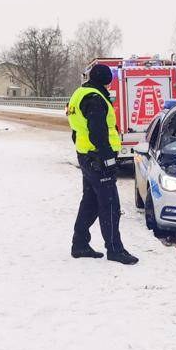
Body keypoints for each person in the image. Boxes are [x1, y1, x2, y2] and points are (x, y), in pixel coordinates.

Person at [66, 64, 139, 265]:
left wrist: (85, 152)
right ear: (105, 80)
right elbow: (98, 132)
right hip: (98, 158)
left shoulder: (79, 94)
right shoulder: (95, 98)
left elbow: (76, 129)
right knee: (110, 204)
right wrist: (107, 159)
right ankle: (115, 250)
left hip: (86, 155)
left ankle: (80, 244)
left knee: (90, 202)